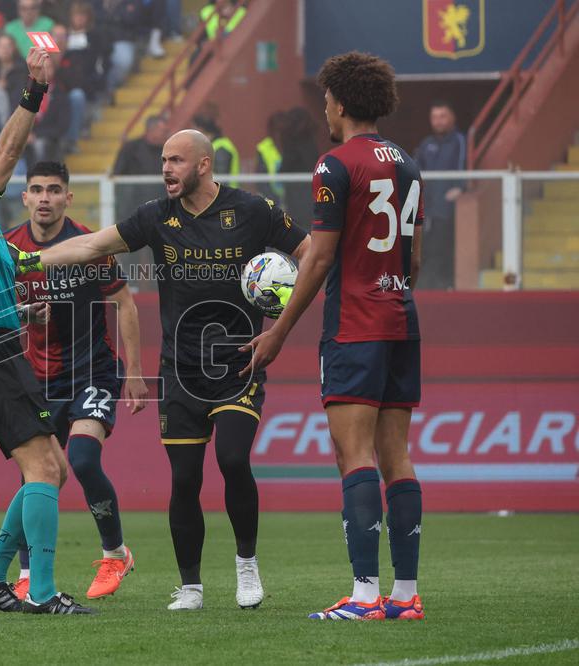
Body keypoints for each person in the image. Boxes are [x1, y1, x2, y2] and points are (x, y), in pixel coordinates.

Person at [12, 129, 311, 611]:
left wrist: (281, 323)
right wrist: (29, 258)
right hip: (179, 372)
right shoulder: (156, 217)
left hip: (239, 363)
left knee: (234, 459)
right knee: (185, 480)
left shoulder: (253, 211)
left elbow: (310, 253)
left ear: (204, 165)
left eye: (175, 160)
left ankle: (247, 565)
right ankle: (190, 586)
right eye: (163, 160)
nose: (166, 169)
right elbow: (92, 246)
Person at [245, 51, 426, 622]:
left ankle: (365, 595)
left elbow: (319, 257)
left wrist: (277, 332)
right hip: (401, 316)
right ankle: (405, 595)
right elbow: (414, 259)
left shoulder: (334, 164)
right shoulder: (410, 164)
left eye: (326, 98)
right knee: (398, 456)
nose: (323, 107)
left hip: (353, 324)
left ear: (341, 102)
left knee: (354, 455)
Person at [0, 46, 94, 615]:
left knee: (50, 465)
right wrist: (33, 90)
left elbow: (49, 261)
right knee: (44, 467)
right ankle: (45, 594)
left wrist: (127, 235)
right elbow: (8, 149)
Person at [4, 161, 148, 601]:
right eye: (36, 189)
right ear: (25, 198)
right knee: (37, 475)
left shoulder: (88, 245)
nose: (44, 197)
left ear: (68, 197)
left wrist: (136, 372)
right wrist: (26, 314)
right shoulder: (9, 247)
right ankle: (28, 574)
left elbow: (125, 303)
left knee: (83, 460)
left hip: (93, 371)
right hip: (39, 379)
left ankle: (114, 553)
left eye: (53, 190)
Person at [413, 100, 465, 290]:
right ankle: (426, 288)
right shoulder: (427, 144)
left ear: (452, 117)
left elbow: (463, 166)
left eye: (442, 116)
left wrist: (460, 187)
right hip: (427, 209)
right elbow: (414, 169)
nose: (438, 121)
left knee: (442, 250)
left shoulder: (459, 140)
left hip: (446, 209)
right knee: (424, 251)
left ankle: (444, 287)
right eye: (435, 117)